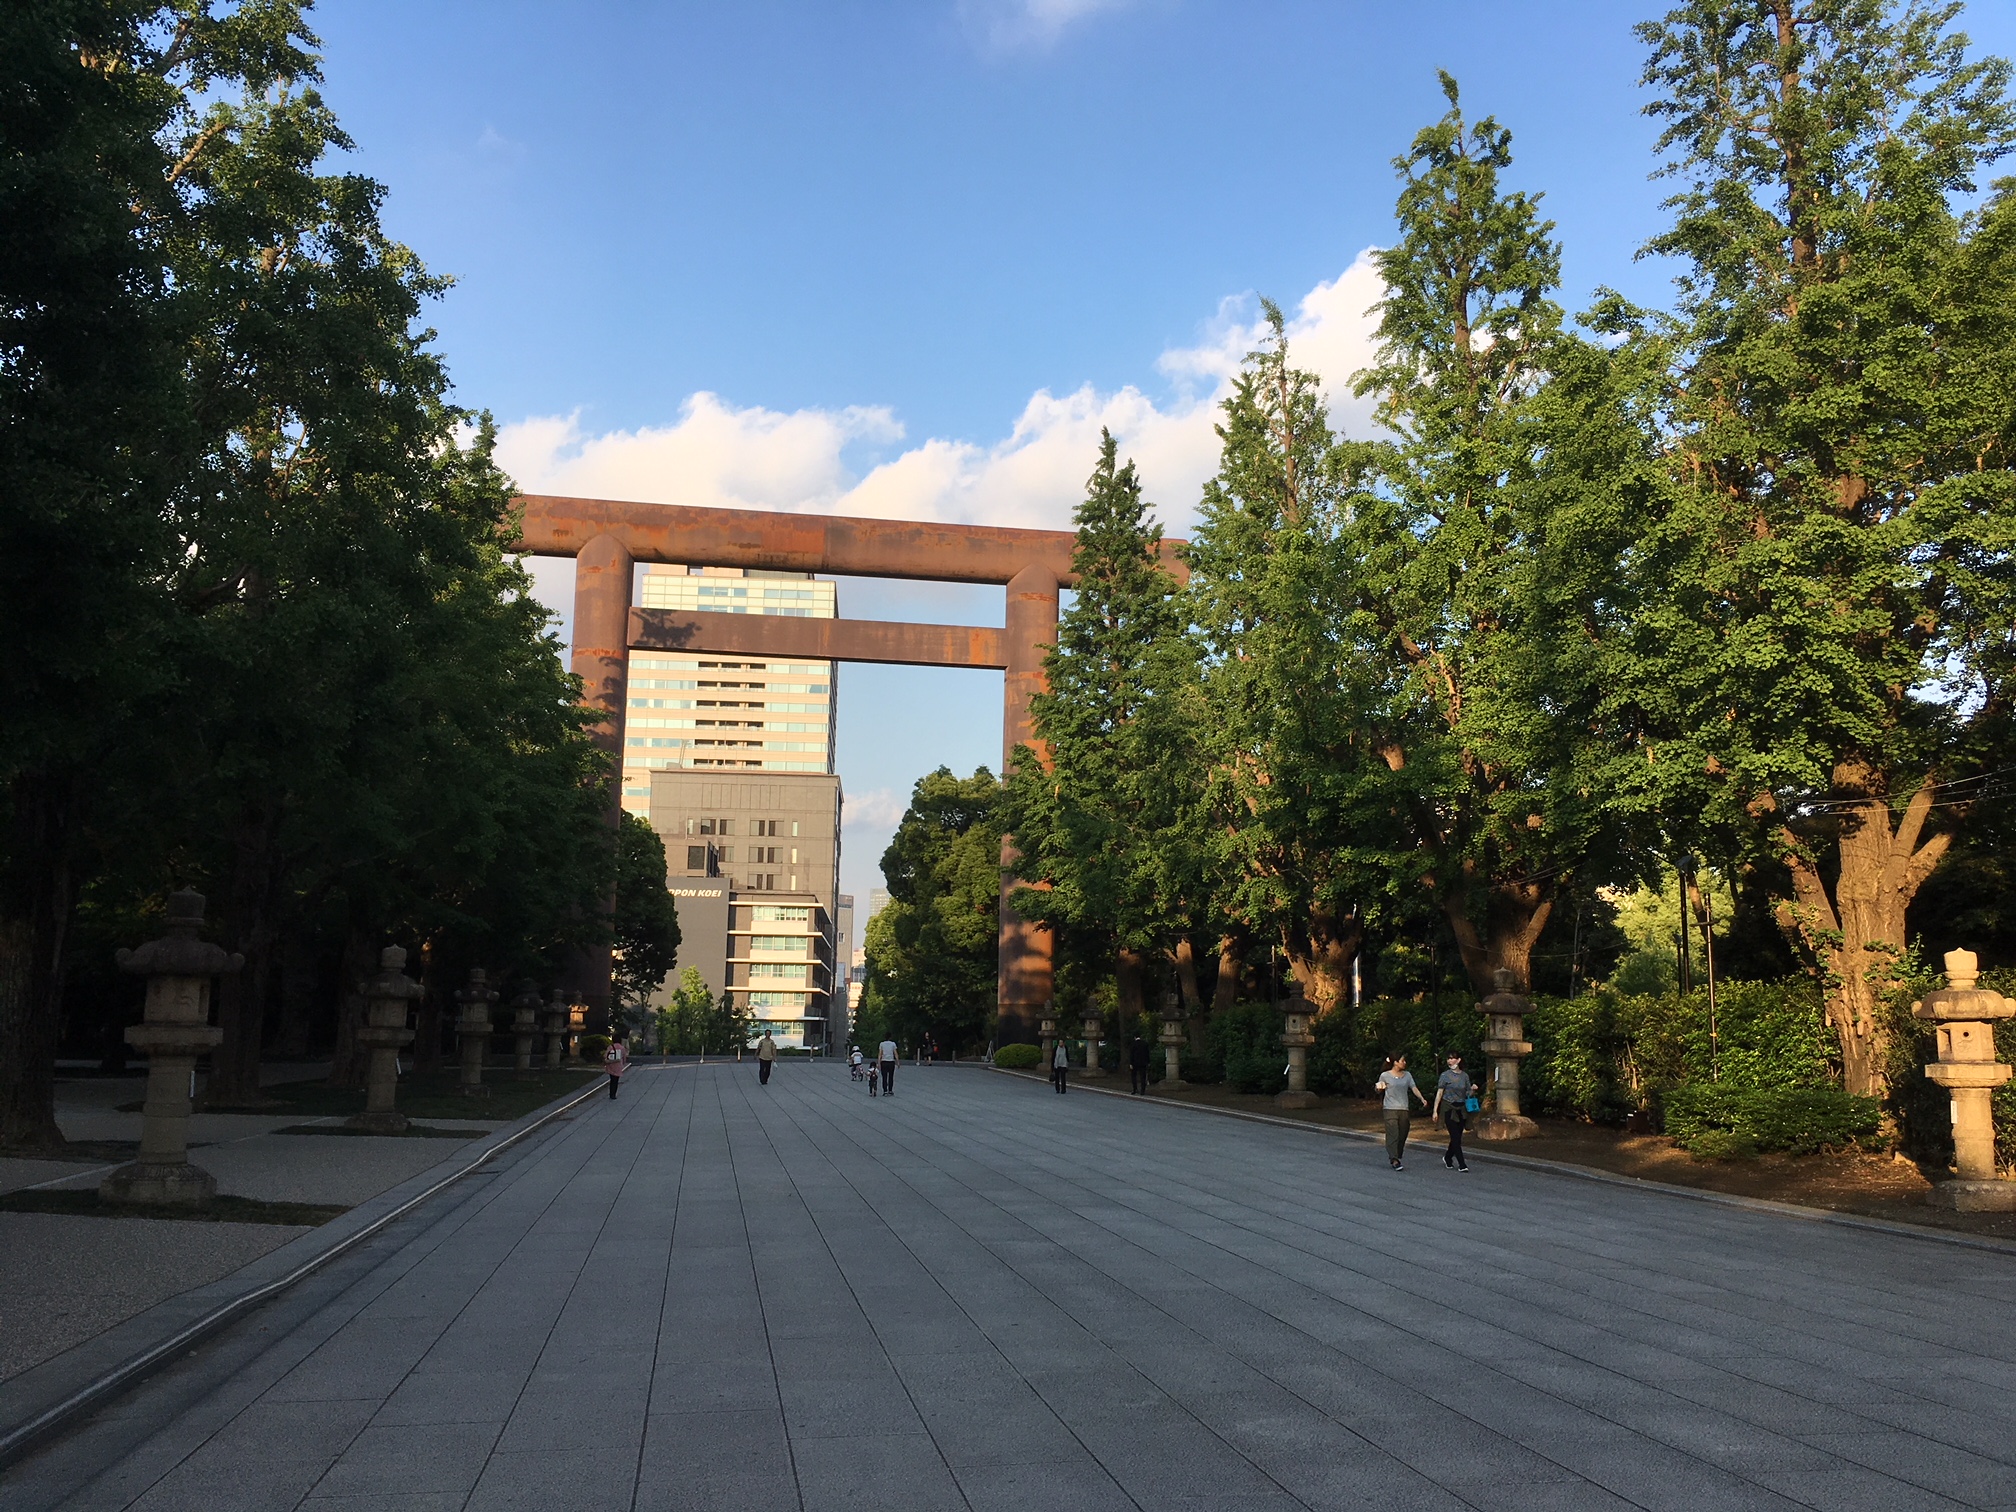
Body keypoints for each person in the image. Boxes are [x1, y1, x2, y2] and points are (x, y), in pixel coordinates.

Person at [1375, 1053, 1426, 1169]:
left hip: (1403, 1108)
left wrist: (1422, 1098)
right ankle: (1394, 1159)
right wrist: (1379, 1088)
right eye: (1402, 1060)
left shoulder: (1407, 1075)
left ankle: (1397, 1154)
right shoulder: (1385, 1075)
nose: (1404, 1063)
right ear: (1395, 1062)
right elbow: (1378, 1089)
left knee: (1403, 1133)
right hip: (1390, 1108)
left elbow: (1414, 1087)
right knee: (1393, 1133)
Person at [1431, 1052, 1474, 1171]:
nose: (1450, 1061)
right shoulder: (1445, 1076)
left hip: (1461, 1109)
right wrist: (1435, 1110)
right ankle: (1462, 1164)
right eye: (1448, 1059)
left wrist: (1473, 1090)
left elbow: (1467, 1093)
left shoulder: (1464, 1076)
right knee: (1455, 1136)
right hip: (1448, 1108)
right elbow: (1439, 1093)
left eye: (1452, 1058)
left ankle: (1448, 1157)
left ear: (1458, 1060)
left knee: (1457, 1137)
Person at [603, 1034, 630, 1100]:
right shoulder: (622, 1048)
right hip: (618, 1065)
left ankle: (611, 1093)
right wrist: (623, 1063)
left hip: (611, 1064)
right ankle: (614, 1094)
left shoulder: (610, 1047)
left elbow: (605, 1055)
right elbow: (624, 1057)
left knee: (612, 1079)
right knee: (616, 1080)